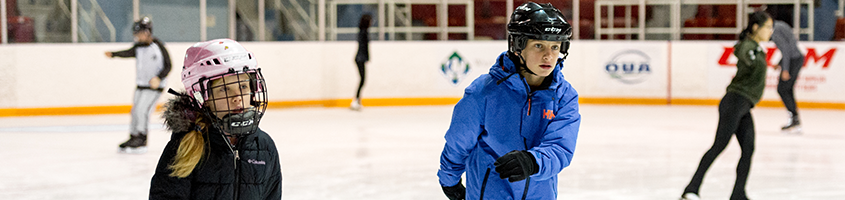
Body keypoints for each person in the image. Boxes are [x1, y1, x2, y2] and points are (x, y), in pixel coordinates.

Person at [437, 2, 580, 200]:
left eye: (555, 47)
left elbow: (561, 147)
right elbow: (459, 142)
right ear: (517, 45)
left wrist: (532, 161)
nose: (549, 55)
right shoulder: (484, 92)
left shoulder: (564, 96)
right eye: (539, 45)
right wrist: (449, 179)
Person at [149, 38, 282, 199]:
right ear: (201, 96)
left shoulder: (264, 147)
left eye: (243, 86)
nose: (238, 97)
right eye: (225, 89)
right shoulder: (186, 146)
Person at [680, 11, 773, 200]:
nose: (771, 31)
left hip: (744, 105)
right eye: (768, 27)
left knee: (748, 149)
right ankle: (691, 188)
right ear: (756, 28)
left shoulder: (757, 48)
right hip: (735, 102)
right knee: (719, 146)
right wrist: (751, 56)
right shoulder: (748, 47)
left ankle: (738, 193)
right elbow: (743, 52)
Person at [105, 17, 172, 153]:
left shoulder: (158, 46)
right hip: (141, 85)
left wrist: (159, 78)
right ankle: (133, 135)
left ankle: (142, 138)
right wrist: (114, 54)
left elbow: (168, 65)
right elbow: (128, 52)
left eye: (140, 33)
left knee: (143, 111)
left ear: (147, 32)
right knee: (135, 111)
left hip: (154, 87)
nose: (137, 36)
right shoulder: (139, 47)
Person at [771, 20, 804, 134]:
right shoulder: (780, 25)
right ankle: (794, 118)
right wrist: (780, 63)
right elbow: (790, 45)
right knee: (787, 89)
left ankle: (794, 118)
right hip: (796, 58)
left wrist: (785, 69)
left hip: (793, 60)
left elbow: (786, 49)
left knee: (783, 89)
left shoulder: (774, 32)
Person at [351, 14, 371, 111]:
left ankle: (357, 100)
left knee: (362, 80)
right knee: (362, 80)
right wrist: (366, 57)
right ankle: (356, 100)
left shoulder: (363, 32)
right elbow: (364, 47)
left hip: (361, 58)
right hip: (360, 58)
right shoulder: (363, 33)